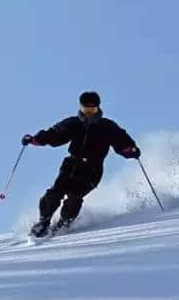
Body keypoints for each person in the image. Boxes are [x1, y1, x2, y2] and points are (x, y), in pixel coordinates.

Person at [22, 91, 141, 237]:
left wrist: (130, 150)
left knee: (74, 196)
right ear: (81, 108)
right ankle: (44, 220)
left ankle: (65, 221)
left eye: (93, 110)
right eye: (86, 110)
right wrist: (35, 139)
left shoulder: (107, 127)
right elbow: (55, 134)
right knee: (55, 192)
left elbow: (121, 141)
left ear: (98, 108)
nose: (90, 114)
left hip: (92, 170)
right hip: (71, 165)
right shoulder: (74, 123)